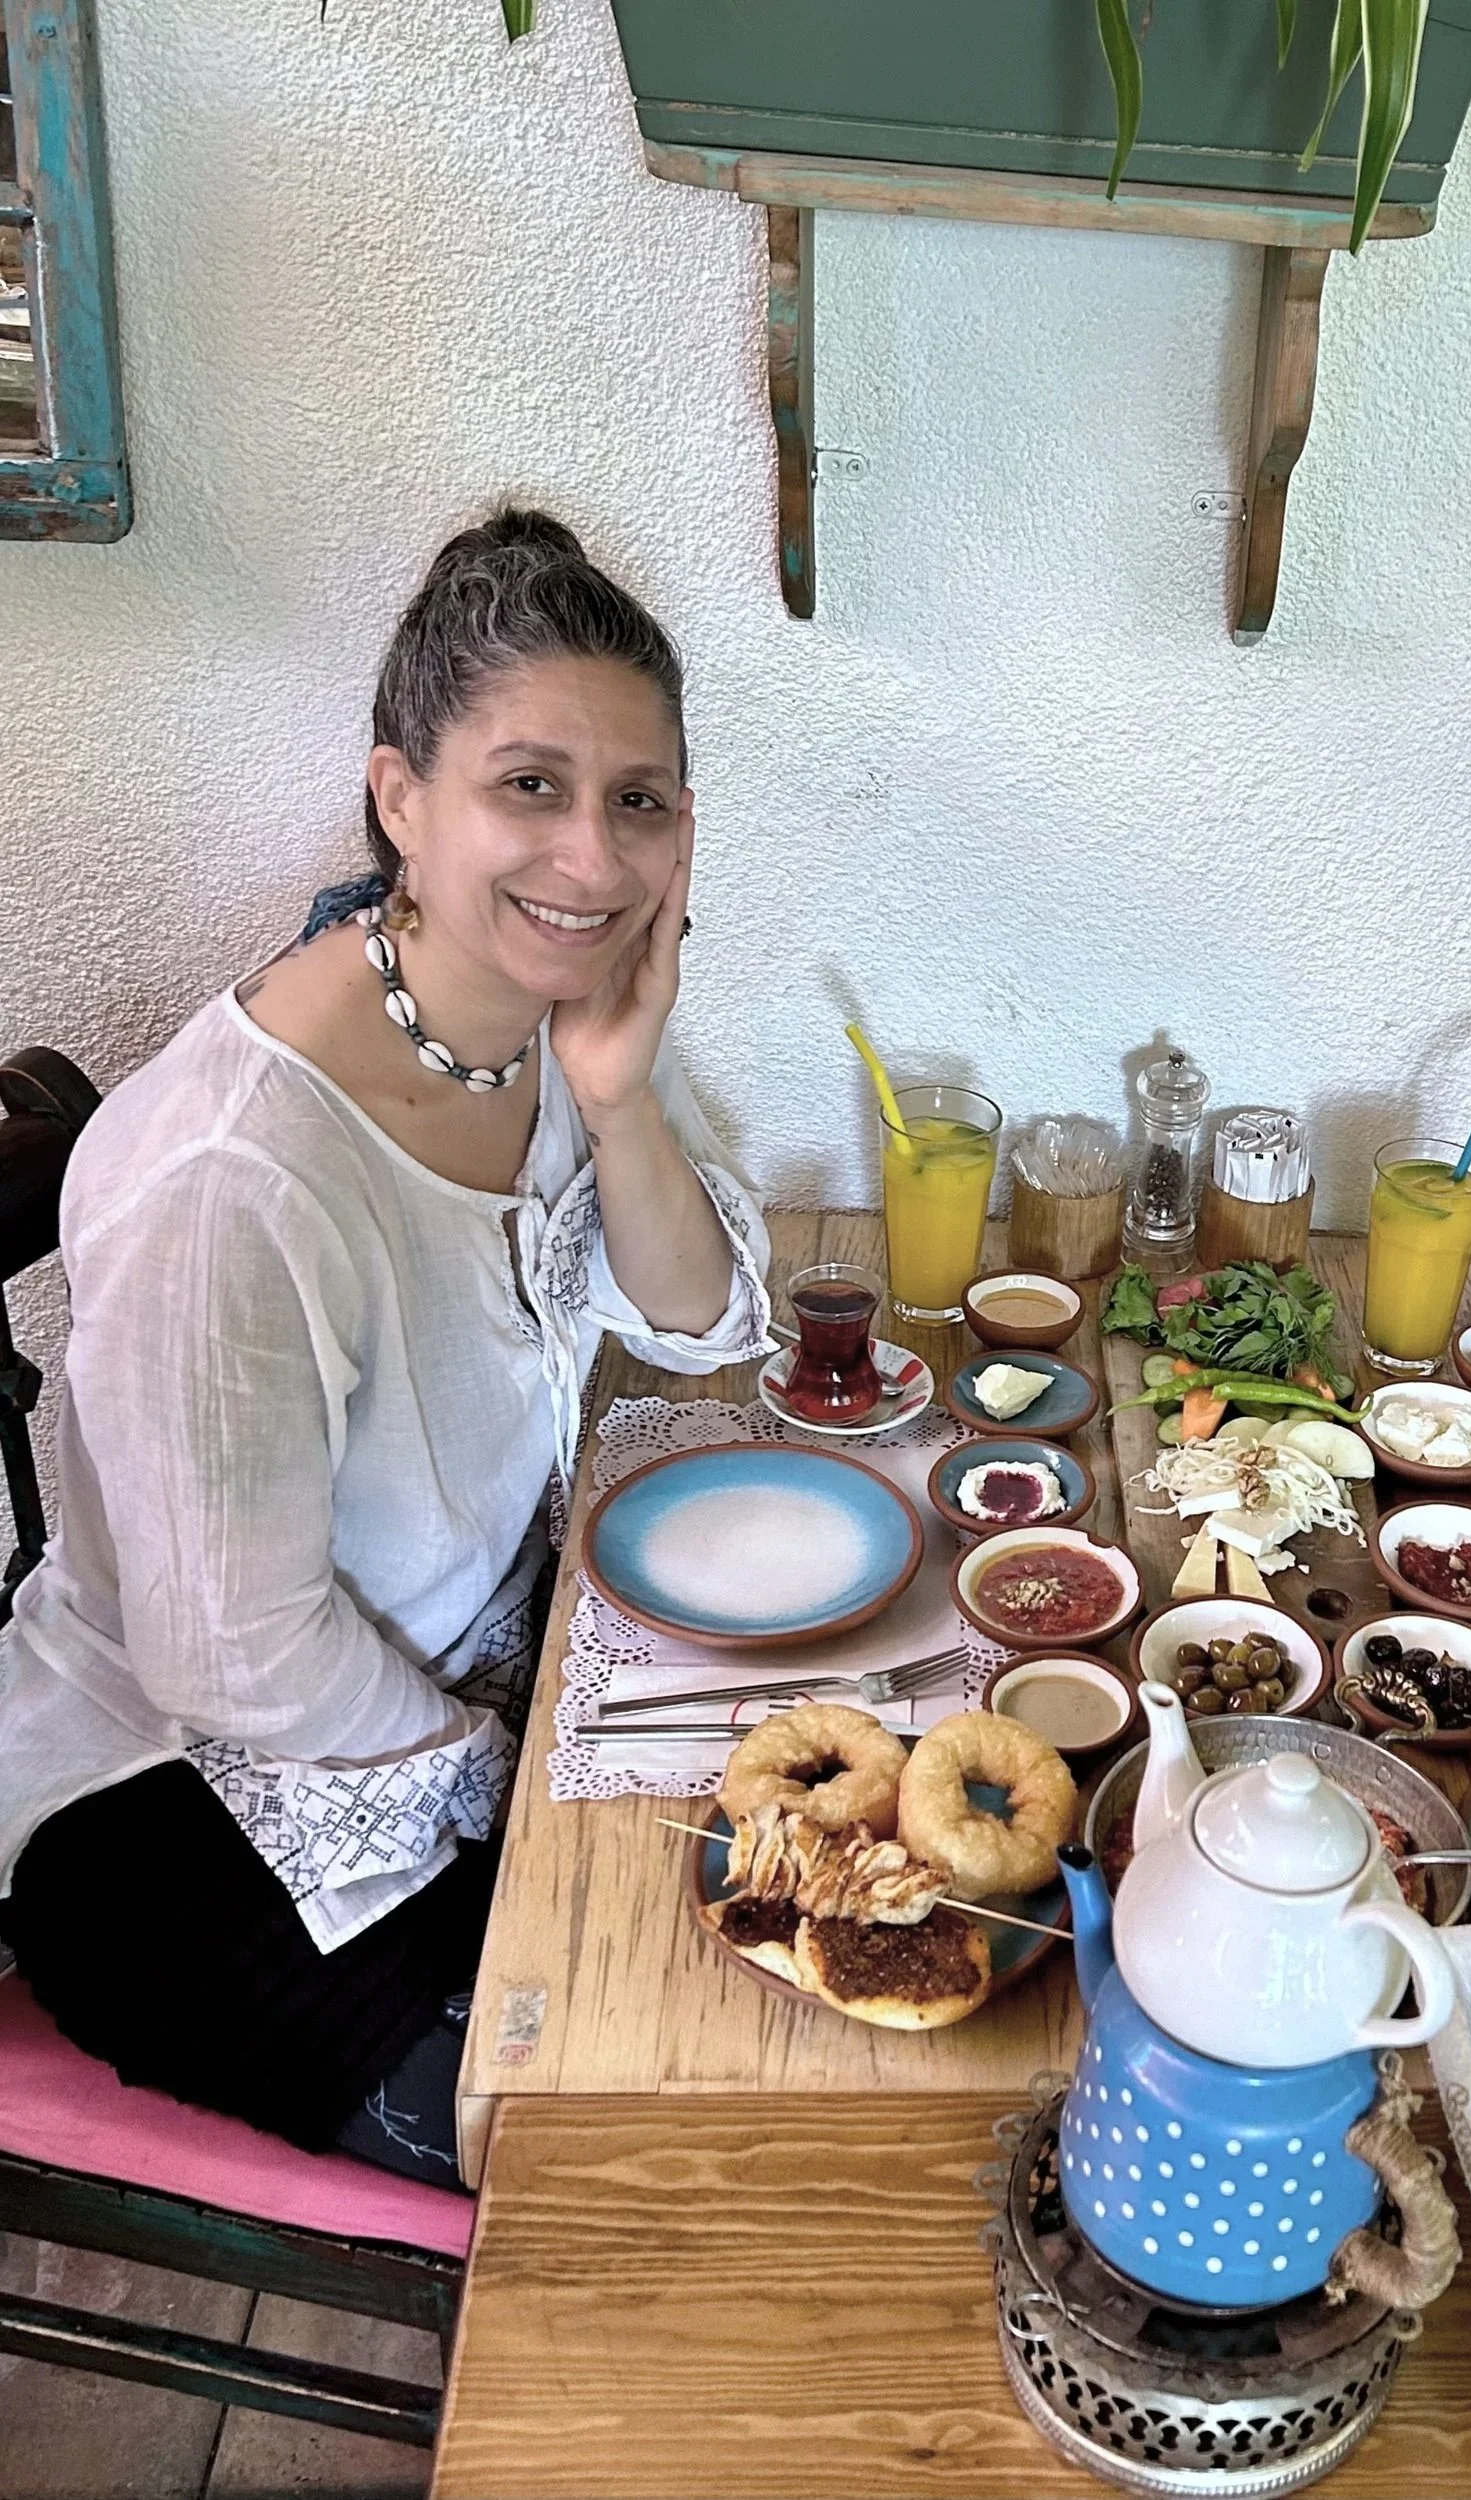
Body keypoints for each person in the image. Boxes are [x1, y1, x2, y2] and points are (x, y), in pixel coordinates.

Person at [0, 510, 772, 2183]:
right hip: (185, 1815)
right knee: (640, 2154)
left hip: (485, 1679)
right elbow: (238, 1660)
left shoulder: (545, 1032)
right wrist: (539, 1787)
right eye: (530, 787)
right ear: (399, 799)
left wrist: (626, 1096)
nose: (591, 858)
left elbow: (706, 1326)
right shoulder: (233, 1177)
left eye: (637, 801)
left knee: (773, 1955)